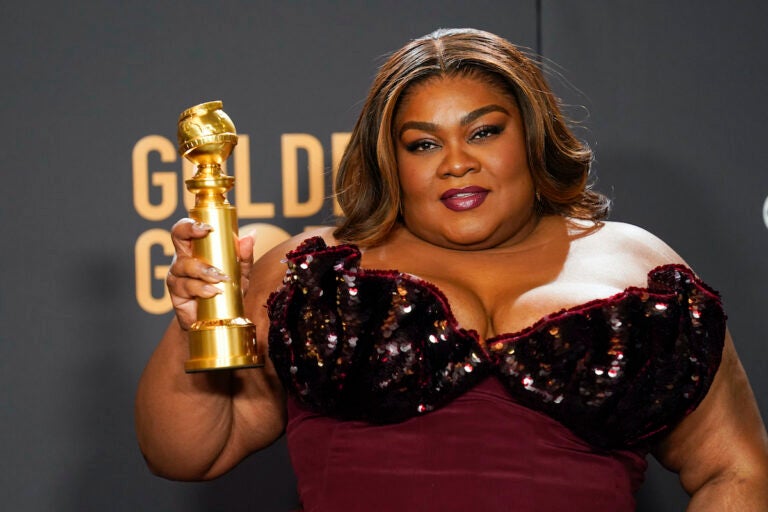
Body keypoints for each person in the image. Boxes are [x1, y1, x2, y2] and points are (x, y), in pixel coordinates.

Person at [135, 28, 768, 510]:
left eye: (484, 132)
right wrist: (194, 323)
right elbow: (193, 453)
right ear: (393, 162)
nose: (456, 162)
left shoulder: (640, 268)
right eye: (424, 144)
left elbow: (735, 469)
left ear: (531, 137)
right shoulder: (311, 270)